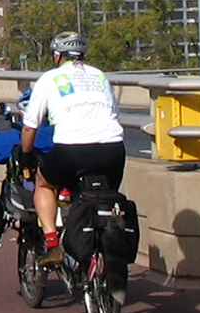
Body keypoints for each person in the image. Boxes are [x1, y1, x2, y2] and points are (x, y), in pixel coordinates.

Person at [18, 31, 125, 266]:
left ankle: (53, 244)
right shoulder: (100, 76)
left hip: (71, 150)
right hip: (113, 149)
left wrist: (26, 155)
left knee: (44, 185)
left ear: (58, 56)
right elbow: (113, 114)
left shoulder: (50, 78)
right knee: (104, 195)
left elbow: (30, 127)